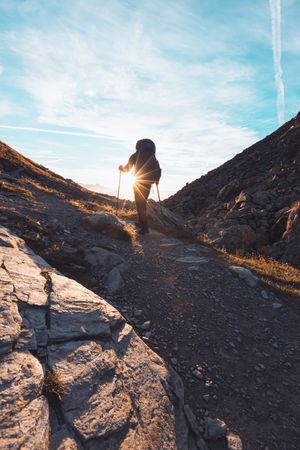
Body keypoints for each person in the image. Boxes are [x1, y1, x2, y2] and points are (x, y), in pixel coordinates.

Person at [119, 139, 161, 234]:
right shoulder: (153, 157)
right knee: (143, 203)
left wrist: (121, 168)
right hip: (148, 183)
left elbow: (127, 169)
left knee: (139, 204)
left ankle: (145, 228)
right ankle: (141, 223)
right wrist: (157, 181)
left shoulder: (135, 155)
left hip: (138, 182)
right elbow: (158, 170)